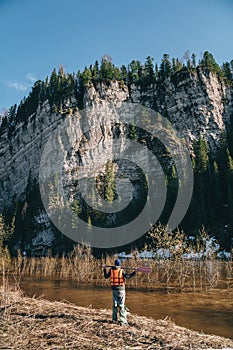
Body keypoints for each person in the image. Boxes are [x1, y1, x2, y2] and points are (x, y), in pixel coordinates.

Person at [103, 258, 136, 325]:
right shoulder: (121, 271)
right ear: (120, 265)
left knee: (115, 304)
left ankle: (114, 319)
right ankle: (123, 321)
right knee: (121, 305)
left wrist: (104, 269)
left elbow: (106, 276)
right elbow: (128, 276)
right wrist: (134, 273)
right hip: (121, 290)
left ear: (114, 264)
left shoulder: (111, 270)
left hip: (114, 289)